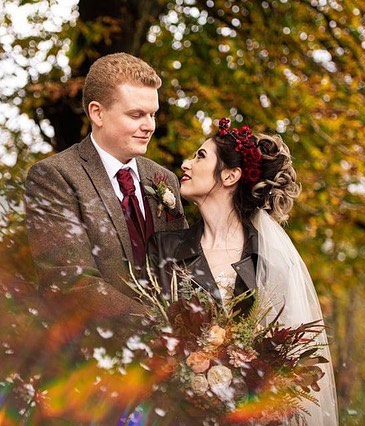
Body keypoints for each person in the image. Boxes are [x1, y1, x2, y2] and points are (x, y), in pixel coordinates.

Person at [147, 118, 338, 425]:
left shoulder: (267, 254)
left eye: (200, 156)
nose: (185, 164)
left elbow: (284, 354)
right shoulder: (165, 248)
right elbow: (155, 333)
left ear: (231, 175)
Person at [25, 52, 188, 333]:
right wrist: (161, 326)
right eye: (136, 115)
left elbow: (183, 268)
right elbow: (70, 281)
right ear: (97, 113)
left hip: (174, 362)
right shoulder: (55, 177)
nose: (149, 126)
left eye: (152, 114)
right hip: (95, 356)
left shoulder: (164, 179)